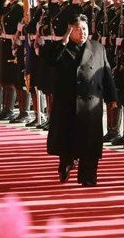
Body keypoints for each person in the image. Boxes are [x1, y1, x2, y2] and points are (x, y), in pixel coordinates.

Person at [46, 14, 118, 187]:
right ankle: (66, 162)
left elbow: (106, 73)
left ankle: (88, 176)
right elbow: (50, 61)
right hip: (67, 102)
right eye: (77, 29)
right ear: (70, 31)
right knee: (67, 139)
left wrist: (112, 97)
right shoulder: (61, 48)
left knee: (90, 141)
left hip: (91, 103)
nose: (82, 33)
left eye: (84, 29)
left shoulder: (97, 48)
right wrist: (63, 42)